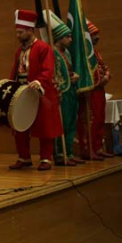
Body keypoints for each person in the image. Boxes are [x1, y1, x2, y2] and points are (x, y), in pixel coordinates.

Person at [7, 10, 63, 171]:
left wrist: (39, 81)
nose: (17, 35)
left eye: (20, 32)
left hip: (40, 93)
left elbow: (48, 69)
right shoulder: (20, 51)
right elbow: (16, 71)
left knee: (45, 127)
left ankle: (46, 158)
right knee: (19, 125)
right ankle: (23, 157)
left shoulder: (43, 48)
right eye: (17, 32)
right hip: (23, 94)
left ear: (30, 31)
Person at [78, 21, 113, 160]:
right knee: (89, 121)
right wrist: (99, 80)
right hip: (90, 92)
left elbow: (105, 67)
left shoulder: (96, 53)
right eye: (94, 34)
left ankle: (98, 147)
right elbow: (84, 73)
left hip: (100, 91)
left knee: (100, 118)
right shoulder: (83, 55)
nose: (97, 37)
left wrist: (107, 76)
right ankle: (88, 149)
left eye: (97, 34)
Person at [51, 20, 81, 166]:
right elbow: (54, 74)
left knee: (70, 123)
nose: (70, 39)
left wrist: (74, 75)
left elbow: (67, 71)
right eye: (67, 36)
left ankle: (68, 152)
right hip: (61, 92)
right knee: (61, 123)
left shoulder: (67, 52)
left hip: (71, 91)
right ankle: (59, 154)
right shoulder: (52, 53)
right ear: (59, 37)